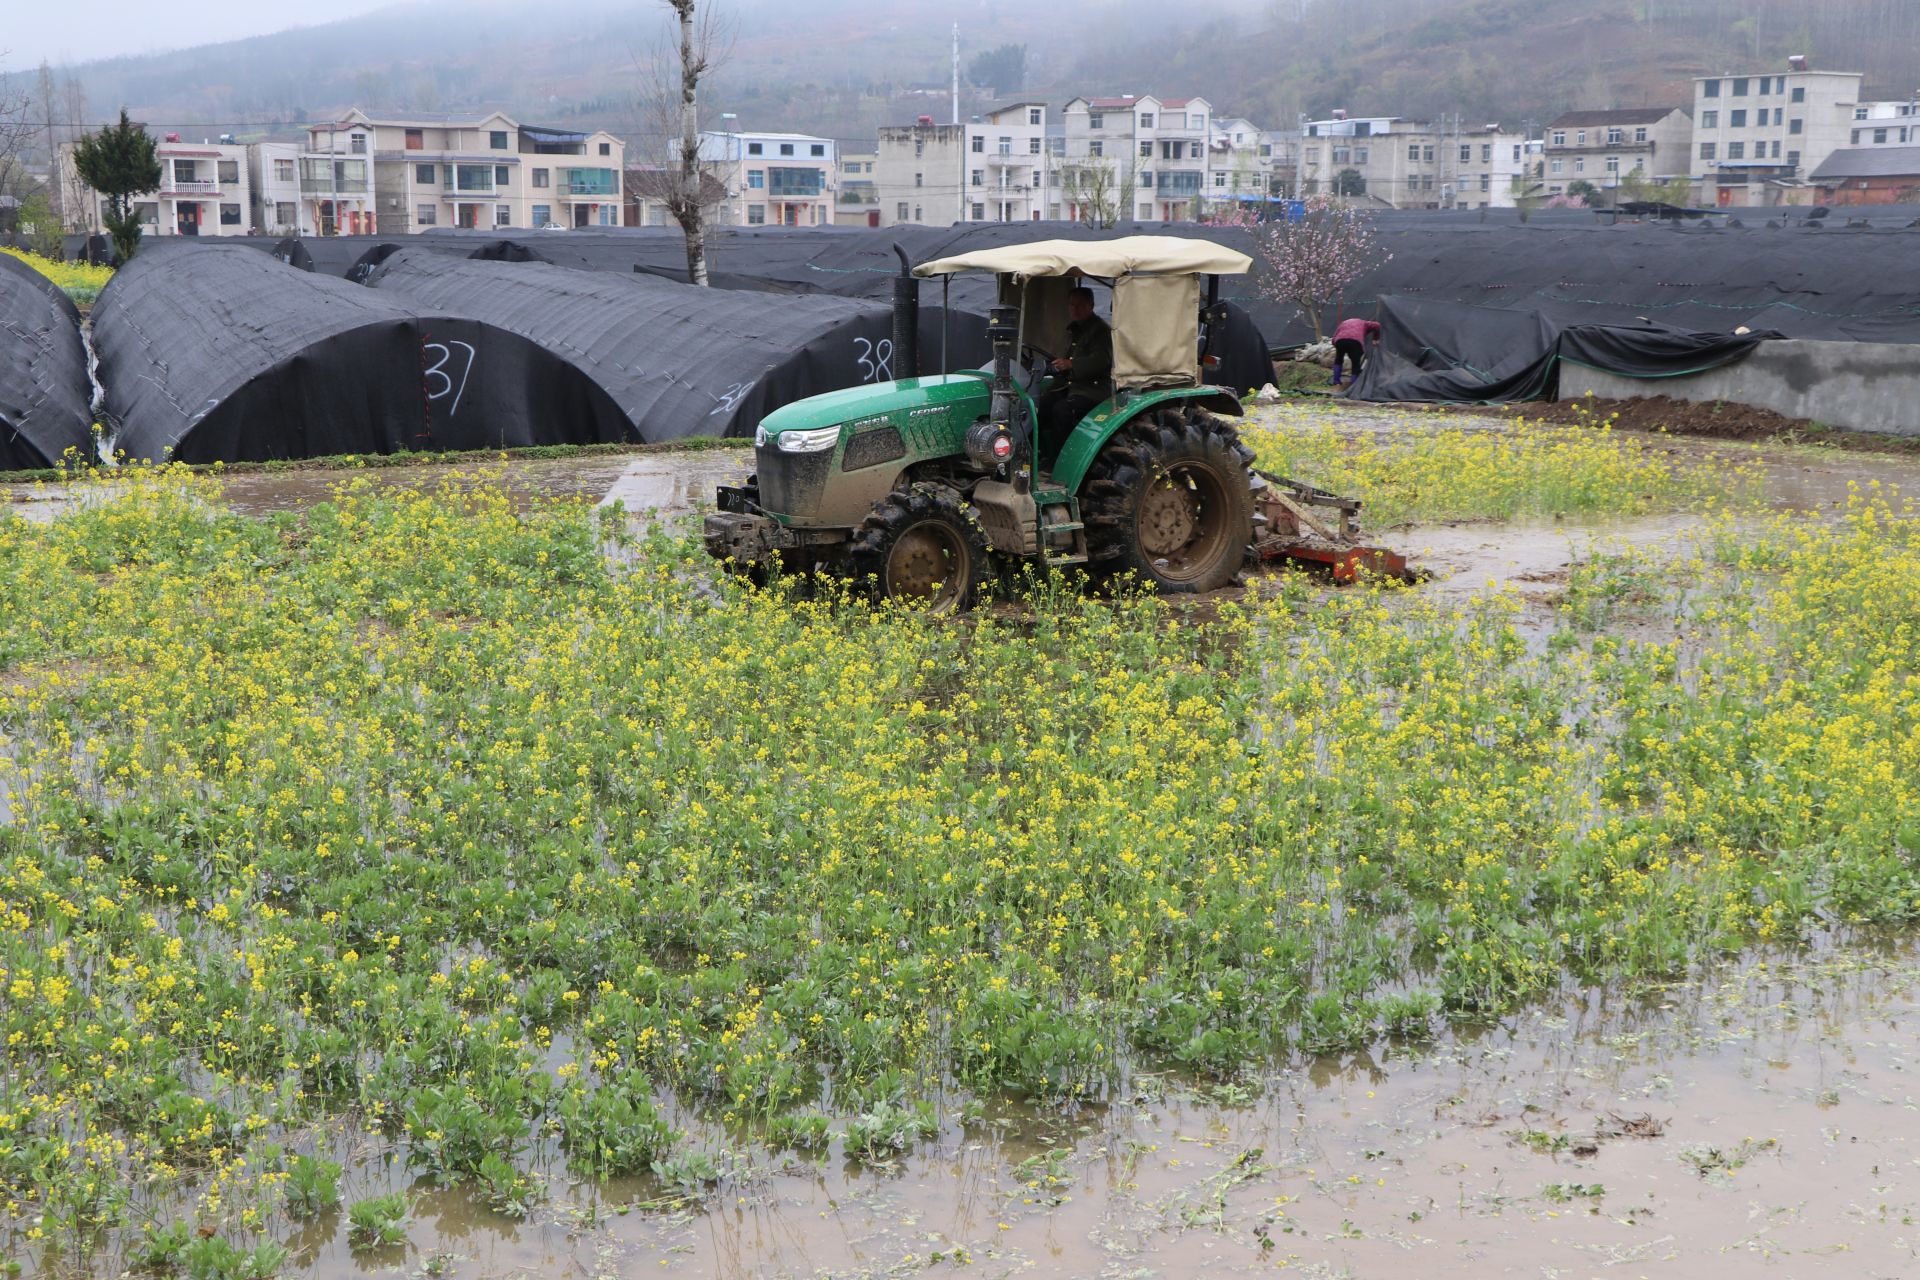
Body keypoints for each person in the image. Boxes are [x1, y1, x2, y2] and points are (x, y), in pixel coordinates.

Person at [1038, 286, 1113, 455]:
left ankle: (1061, 459)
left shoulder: (1101, 331)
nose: (1075, 309)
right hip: (1072, 386)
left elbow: (1101, 361)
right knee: (1040, 403)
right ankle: (1038, 454)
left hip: (1093, 389)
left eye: (1080, 305)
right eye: (1072, 305)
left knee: (1062, 410)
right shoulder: (1074, 330)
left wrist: (1071, 364)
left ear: (1091, 306)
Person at [1330, 315, 1382, 388]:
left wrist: (1338, 347)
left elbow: (1333, 339)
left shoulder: (1343, 323)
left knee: (1338, 360)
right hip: (1355, 342)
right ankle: (1353, 385)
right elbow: (1377, 325)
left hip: (1340, 340)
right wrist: (1375, 338)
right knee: (1355, 363)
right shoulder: (1364, 323)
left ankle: (1336, 382)